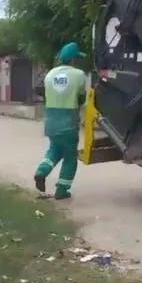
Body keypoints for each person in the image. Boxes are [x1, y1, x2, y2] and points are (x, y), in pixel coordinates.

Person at [35, 41, 88, 200]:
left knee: (54, 150)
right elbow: (81, 98)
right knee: (70, 157)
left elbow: (45, 96)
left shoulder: (50, 75)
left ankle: (41, 171)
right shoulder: (78, 75)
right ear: (73, 59)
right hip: (68, 123)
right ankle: (62, 190)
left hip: (51, 121)